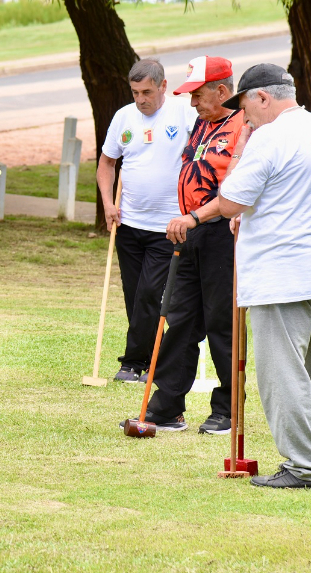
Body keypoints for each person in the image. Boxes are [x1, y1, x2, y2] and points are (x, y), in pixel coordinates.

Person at [217, 63, 311, 490]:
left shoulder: (269, 136)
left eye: (244, 107)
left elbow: (231, 201)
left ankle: (307, 467)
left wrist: (239, 158)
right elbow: (290, 192)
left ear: (262, 97)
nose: (243, 117)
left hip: (281, 271)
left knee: (282, 373)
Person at [124, 56, 244, 433]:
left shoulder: (244, 127)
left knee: (223, 323)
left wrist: (194, 217)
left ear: (222, 91)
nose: (192, 103)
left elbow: (234, 192)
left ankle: (227, 409)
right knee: (178, 320)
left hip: (223, 234)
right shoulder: (201, 124)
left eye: (198, 95)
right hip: (190, 234)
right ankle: (168, 405)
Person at [97, 59, 198, 383]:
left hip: (167, 227)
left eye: (147, 92)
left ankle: (134, 363)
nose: (141, 99)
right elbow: (106, 164)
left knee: (151, 293)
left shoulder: (183, 113)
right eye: (136, 92)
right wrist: (108, 203)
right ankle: (146, 361)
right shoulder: (124, 117)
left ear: (163, 86)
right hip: (129, 225)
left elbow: (204, 154)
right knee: (134, 293)